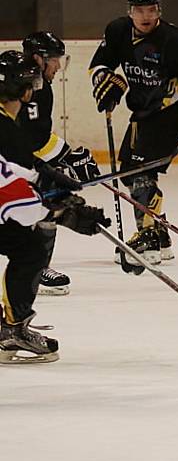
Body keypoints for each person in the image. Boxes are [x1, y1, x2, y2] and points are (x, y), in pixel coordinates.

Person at [88, 0, 178, 264]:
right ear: (129, 11)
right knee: (128, 173)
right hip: (143, 112)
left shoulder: (173, 39)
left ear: (159, 10)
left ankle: (146, 238)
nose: (145, 16)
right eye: (139, 10)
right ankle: (160, 234)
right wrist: (104, 81)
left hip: (172, 112)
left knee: (142, 171)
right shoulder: (118, 31)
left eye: (151, 9)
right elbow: (99, 64)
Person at [0, 50, 110, 364]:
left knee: (27, 240)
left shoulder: (6, 124)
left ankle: (10, 327)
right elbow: (13, 200)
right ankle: (11, 332)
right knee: (32, 242)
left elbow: (11, 170)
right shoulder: (6, 128)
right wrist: (61, 211)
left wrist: (42, 176)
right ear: (24, 90)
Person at [18, 31, 101, 296]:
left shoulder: (40, 84)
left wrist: (66, 157)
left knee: (49, 196)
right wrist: (68, 156)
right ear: (38, 59)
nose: (57, 66)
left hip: (12, 159)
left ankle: (37, 268)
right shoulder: (24, 84)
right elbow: (32, 137)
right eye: (54, 60)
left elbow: (35, 137)